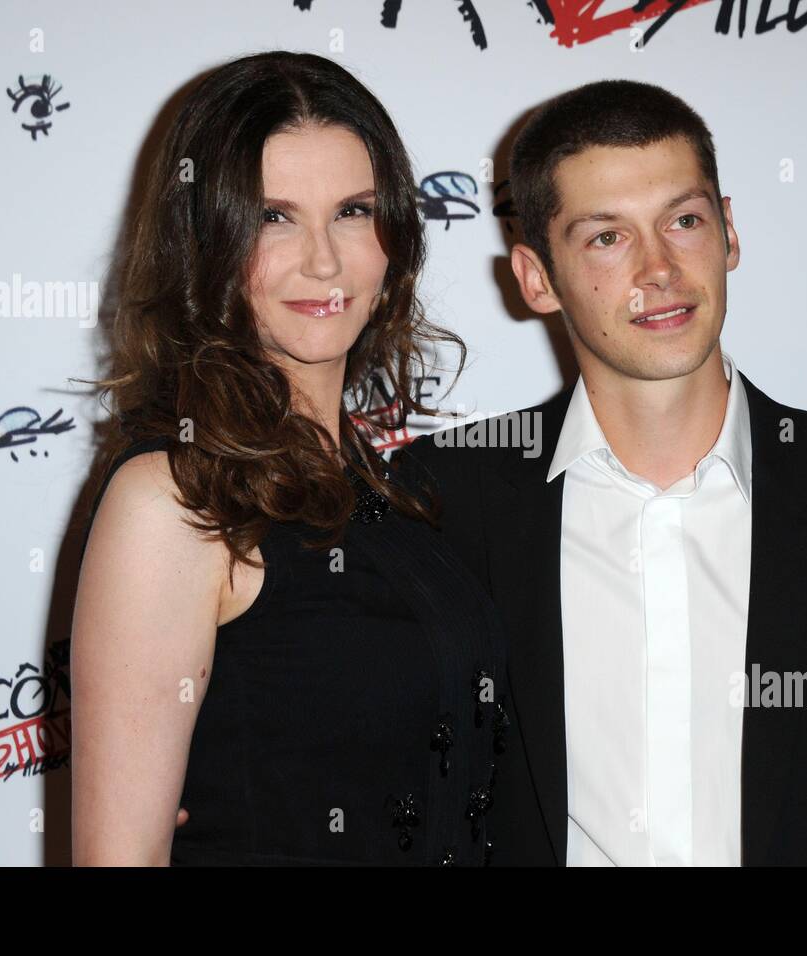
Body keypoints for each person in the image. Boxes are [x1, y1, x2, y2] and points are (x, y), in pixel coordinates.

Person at [395, 79, 807, 866]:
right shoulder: (444, 500)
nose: (659, 269)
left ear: (728, 232)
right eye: (606, 238)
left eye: (683, 221)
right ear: (536, 278)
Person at [70, 51, 509, 866]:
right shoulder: (172, 500)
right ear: (205, 243)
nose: (324, 260)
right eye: (274, 217)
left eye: (352, 211)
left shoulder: (388, 489)